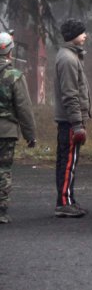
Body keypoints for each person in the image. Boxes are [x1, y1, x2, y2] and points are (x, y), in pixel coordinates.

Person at [53, 19, 91, 218]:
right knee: (68, 161)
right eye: (82, 32)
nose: (85, 36)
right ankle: (64, 202)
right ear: (73, 35)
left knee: (66, 160)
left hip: (67, 119)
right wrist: (78, 124)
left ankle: (66, 199)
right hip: (69, 121)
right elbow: (70, 93)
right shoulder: (68, 58)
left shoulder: (69, 56)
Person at [0, 32, 36, 224]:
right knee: (3, 170)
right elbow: (24, 108)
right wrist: (30, 135)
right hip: (6, 131)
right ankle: (1, 211)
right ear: (9, 52)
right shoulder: (14, 76)